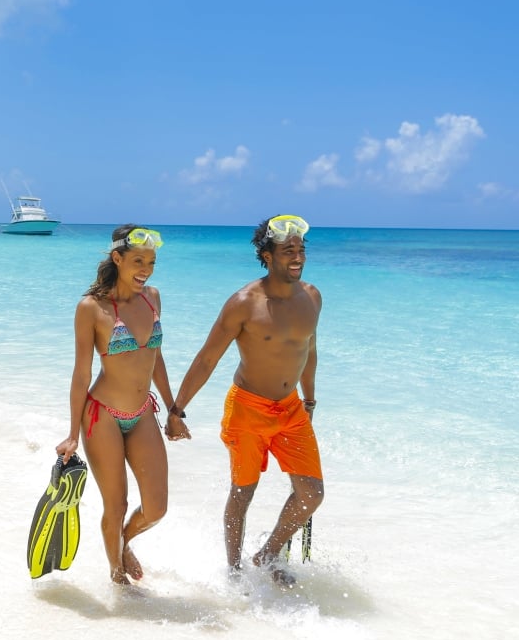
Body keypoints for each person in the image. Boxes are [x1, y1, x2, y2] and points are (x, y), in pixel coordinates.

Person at [164, 214, 323, 587]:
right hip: (248, 408)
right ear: (267, 256)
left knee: (311, 493)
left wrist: (310, 400)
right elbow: (207, 358)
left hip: (291, 409)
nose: (297, 257)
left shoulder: (312, 297)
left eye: (300, 250)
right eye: (288, 251)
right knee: (243, 492)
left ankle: (267, 554)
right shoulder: (243, 303)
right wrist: (177, 410)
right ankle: (234, 575)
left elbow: (309, 350)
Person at [55, 224, 186, 585]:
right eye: (138, 261)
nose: (146, 269)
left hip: (143, 412)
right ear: (118, 258)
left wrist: (174, 409)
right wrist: (71, 435)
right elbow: (81, 374)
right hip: (102, 416)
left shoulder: (152, 298)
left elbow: (154, 357)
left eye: (152, 262)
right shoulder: (91, 308)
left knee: (157, 507)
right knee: (117, 505)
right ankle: (118, 581)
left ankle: (124, 542)